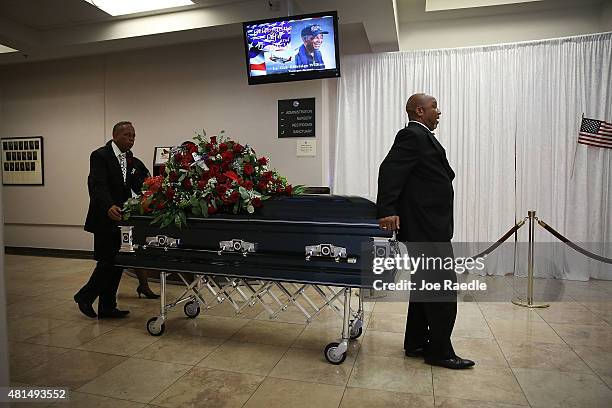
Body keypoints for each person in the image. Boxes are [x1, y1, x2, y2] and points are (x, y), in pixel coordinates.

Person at [376, 94, 475, 369]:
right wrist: (387, 209)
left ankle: (417, 343)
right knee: (442, 288)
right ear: (420, 111)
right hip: (426, 228)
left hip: (429, 225)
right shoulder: (412, 136)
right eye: (434, 107)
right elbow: (389, 170)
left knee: (424, 285)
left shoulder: (421, 136)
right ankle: (440, 352)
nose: (439, 111)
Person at [74, 121, 151, 318]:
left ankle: (107, 307)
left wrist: (151, 192)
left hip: (122, 218)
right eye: (127, 135)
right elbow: (97, 185)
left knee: (118, 261)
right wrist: (108, 205)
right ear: (115, 135)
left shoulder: (129, 158)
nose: (131, 139)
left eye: (133, 135)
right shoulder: (100, 155)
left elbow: (133, 184)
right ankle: (85, 296)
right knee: (107, 261)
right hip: (104, 217)